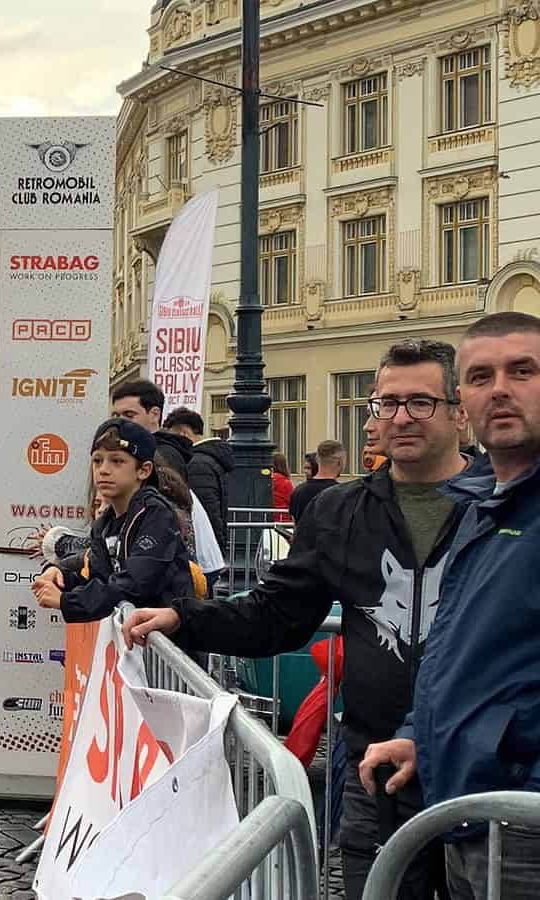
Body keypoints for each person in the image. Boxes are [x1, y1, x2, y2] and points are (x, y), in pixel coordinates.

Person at [123, 338, 470, 900]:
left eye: (421, 403)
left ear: (458, 409)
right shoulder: (340, 512)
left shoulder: (497, 505)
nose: (401, 417)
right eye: (387, 403)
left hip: (479, 771)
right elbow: (276, 616)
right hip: (374, 770)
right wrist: (182, 617)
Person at [362, 314, 540, 900]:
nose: (500, 390)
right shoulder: (482, 504)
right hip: (470, 810)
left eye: (523, 370)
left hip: (520, 822)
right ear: (464, 401)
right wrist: (422, 735)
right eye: (481, 376)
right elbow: (464, 649)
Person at [30, 418, 194, 622]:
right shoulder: (104, 523)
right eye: (97, 461)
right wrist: (60, 574)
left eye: (117, 461)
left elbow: (135, 583)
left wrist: (67, 601)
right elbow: (98, 577)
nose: (103, 470)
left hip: (167, 641)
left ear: (143, 470)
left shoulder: (156, 514)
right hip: (133, 639)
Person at [111, 383, 226, 589]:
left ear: (155, 414)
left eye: (129, 415)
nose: (120, 423)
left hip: (182, 568)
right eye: (115, 415)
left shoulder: (164, 455)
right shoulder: (148, 450)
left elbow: (166, 523)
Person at [163, 407, 234, 554]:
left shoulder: (197, 464)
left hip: (203, 547)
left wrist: (213, 549)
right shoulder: (208, 459)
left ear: (183, 433)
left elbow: (206, 509)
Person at [289, 439, 345, 522]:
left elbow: (295, 523)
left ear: (318, 460)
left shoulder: (298, 491)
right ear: (340, 462)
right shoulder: (344, 493)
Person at [271, 451, 294, 523]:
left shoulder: (266, 481)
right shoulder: (286, 483)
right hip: (284, 520)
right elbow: (292, 501)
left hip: (269, 520)